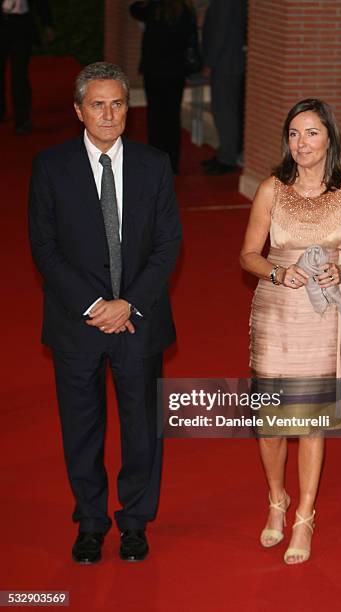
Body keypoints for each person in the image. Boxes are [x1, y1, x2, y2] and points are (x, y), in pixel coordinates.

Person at [28, 62, 182, 564]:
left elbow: (167, 244)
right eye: (98, 104)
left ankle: (135, 522)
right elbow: (44, 248)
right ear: (79, 111)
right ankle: (91, 522)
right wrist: (97, 306)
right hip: (78, 323)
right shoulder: (50, 167)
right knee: (82, 428)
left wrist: (127, 304)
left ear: (128, 108)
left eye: (118, 102)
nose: (109, 113)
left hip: (139, 318)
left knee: (142, 430)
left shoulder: (154, 163)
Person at [240, 99, 341, 565]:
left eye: (311, 133)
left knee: (311, 421)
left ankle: (304, 515)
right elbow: (249, 256)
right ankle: (276, 499)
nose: (301, 143)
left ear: (329, 139)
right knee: (271, 424)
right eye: (295, 134)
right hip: (276, 311)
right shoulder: (270, 189)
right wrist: (278, 274)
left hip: (324, 315)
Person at [130, 0, 199, 174]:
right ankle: (172, 163)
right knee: (172, 118)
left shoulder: (155, 9)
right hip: (176, 71)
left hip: (154, 71)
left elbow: (134, 9)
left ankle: (155, 161)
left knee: (155, 117)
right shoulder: (186, 12)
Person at [201, 0, 247, 175]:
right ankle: (225, 152)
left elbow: (219, 33)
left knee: (224, 112)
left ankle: (227, 157)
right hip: (229, 62)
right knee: (227, 112)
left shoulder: (226, 3)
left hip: (225, 64)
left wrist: (209, 62)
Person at [0, 0, 54, 133]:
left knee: (20, 74)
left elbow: (42, 3)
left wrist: (48, 24)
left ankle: (22, 120)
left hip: (23, 27)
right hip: (2, 24)